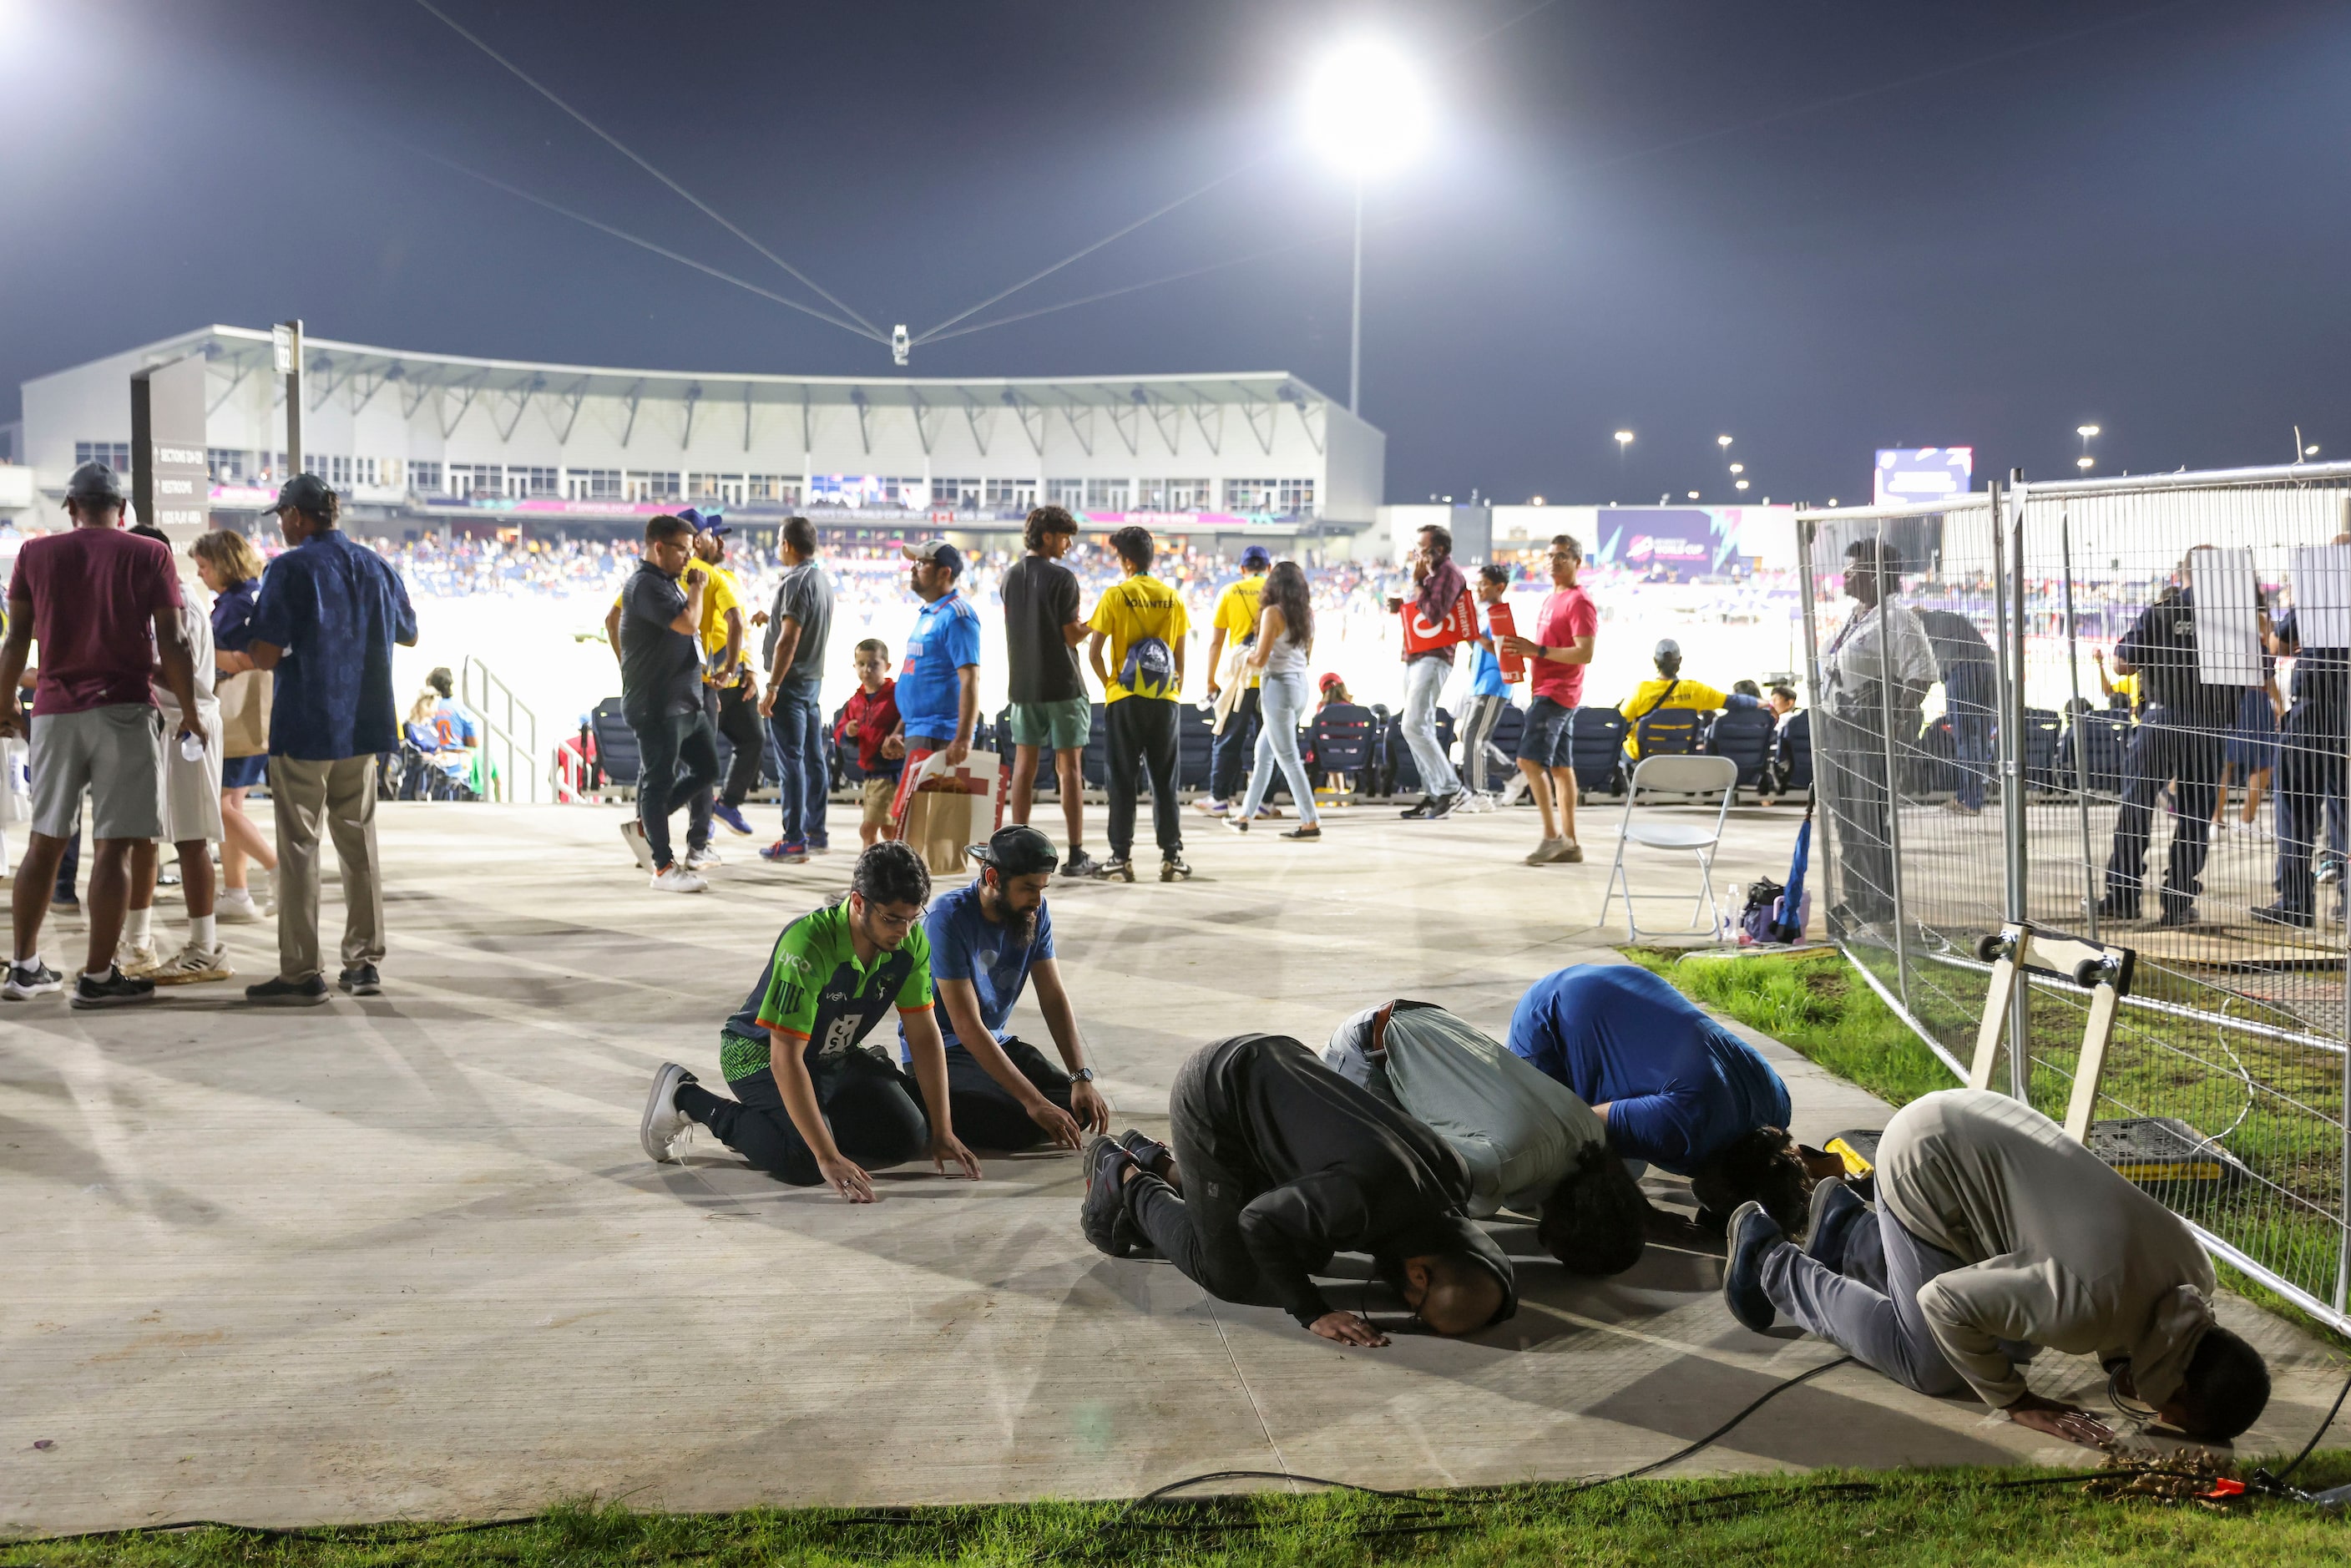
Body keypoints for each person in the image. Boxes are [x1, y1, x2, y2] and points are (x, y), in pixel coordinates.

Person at [1723, 1089, 2271, 1449]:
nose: (2151, 1415)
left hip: (1975, 1127)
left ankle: (1845, 1231)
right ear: (2174, 1389)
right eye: (2167, 1415)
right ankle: (1769, 1258)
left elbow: (2119, 1289)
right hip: (1926, 1159)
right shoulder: (2083, 1308)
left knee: (2008, 1345)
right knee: (1932, 1365)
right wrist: (2017, 1402)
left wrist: (2120, 1360)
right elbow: (1945, 1301)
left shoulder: (2195, 1277)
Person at [1080, 1034, 1517, 1346]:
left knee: (1303, 1252)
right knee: (1232, 1274)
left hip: (1276, 1065)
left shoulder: (1453, 1179)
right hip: (1215, 1094)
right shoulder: (1359, 1198)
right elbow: (1257, 1222)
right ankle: (1124, 1176)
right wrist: (1312, 1311)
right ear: (1419, 1275)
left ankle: (1160, 1161)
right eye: (1419, 1312)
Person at [638, 842, 982, 1201]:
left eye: (913, 919)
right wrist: (826, 1155)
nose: (905, 932)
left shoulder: (909, 944)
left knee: (907, 1138)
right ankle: (687, 1097)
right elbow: (784, 1058)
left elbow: (925, 1036)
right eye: (893, 919)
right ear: (859, 902)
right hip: (758, 1054)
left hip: (834, 1056)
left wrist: (943, 1130)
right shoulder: (808, 944)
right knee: (803, 1161)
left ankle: (785, 1126)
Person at [0, 462, 200, 1007]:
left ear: (70, 507)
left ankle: (24, 968)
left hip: (54, 711)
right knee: (115, 848)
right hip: (124, 711)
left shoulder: (35, 555)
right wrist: (190, 709)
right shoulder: (149, 554)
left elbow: (16, 638)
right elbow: (175, 640)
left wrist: (3, 704)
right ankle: (95, 977)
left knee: (45, 843)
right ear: (123, 511)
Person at [243, 473, 418, 1002]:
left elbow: (265, 653)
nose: (281, 524)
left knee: (299, 847)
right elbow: (409, 632)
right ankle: (363, 963)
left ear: (298, 515)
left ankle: (300, 972)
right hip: (363, 724)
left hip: (305, 723)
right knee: (358, 842)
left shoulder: (289, 568)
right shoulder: (376, 564)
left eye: (282, 516)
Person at [1506, 964, 1838, 1232]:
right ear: (1728, 1185)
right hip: (1554, 1008)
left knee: (1631, 1146)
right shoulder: (1680, 1128)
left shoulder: (1778, 1108)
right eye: (1722, 1205)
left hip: (1629, 983)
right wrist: (1644, 1215)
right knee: (1543, 1157)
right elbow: (1583, 1127)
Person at [1324, 999, 1646, 1274]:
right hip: (1368, 1046)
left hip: (1428, 1018)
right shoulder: (1501, 1162)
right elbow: (1406, 1147)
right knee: (1369, 1169)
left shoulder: (1591, 1138)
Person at [916, 825, 1110, 1151]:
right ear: (992, 878)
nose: (1037, 900)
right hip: (946, 1050)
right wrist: (1033, 1102)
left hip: (996, 1042)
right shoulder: (946, 917)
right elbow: (965, 1026)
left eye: (1043, 889)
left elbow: (1052, 996)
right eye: (1028, 889)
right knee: (1021, 1121)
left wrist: (1081, 1077)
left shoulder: (1036, 911)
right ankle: (921, 1094)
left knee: (1074, 1108)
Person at [2101, 549, 2251, 928]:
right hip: (2211, 724)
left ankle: (2122, 895)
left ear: (2181, 574)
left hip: (2162, 718)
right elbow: (2259, 669)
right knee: (2196, 814)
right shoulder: (2231, 616)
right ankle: (2179, 900)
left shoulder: (2161, 611)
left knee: (2137, 806)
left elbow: (2122, 662)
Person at [118, 524, 230, 985]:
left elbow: (172, 664)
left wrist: (119, 661)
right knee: (141, 837)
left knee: (190, 839)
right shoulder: (165, 596)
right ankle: (138, 943)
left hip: (186, 724)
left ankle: (205, 949)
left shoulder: (177, 603)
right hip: (166, 723)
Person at [1816, 539, 1934, 929]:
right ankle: (1859, 900)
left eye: (1852, 568)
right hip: (1838, 732)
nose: (1845, 575)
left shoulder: (1897, 618)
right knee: (1846, 822)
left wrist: (1893, 722)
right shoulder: (1856, 616)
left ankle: (1882, 909)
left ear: (1876, 574)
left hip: (1869, 736)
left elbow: (1920, 676)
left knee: (1869, 820)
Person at [614, 513, 717, 895]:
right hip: (657, 705)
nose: (689, 559)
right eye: (683, 551)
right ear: (659, 547)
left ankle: (648, 821)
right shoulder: (645, 585)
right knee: (658, 781)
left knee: (707, 768)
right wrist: (698, 588)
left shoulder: (666, 583)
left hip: (685, 702)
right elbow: (688, 624)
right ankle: (662, 867)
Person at [999, 505, 1100, 876]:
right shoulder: (1063, 578)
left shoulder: (1009, 578)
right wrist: (1097, 621)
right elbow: (1070, 634)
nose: (1069, 544)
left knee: (1023, 768)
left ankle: (1015, 849)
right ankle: (1076, 855)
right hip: (1063, 685)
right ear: (1047, 537)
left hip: (1024, 686)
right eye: (1064, 537)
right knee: (1069, 769)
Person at [1085, 524, 1190, 883]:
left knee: (1123, 780)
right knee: (1165, 780)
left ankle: (1120, 857)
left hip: (1124, 700)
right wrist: (1175, 690)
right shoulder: (1173, 598)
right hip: (1165, 700)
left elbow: (1094, 652)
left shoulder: (1116, 595)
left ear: (1127, 561)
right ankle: (1172, 856)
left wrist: (1110, 685)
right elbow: (1179, 654)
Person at [1499, 534, 1598, 866]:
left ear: (1577, 563)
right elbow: (1547, 648)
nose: (1555, 561)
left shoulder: (1578, 602)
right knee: (1560, 768)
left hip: (1557, 693)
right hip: (1552, 690)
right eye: (1552, 556)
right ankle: (1570, 842)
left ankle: (1551, 837)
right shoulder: (1552, 598)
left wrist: (1537, 651)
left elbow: (1584, 652)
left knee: (1528, 762)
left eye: (1563, 556)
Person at [2255, 582, 2349, 928]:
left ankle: (2295, 901)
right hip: (2348, 713)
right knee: (2345, 806)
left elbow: (2277, 644)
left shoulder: (2321, 594)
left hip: (2313, 710)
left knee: (2295, 807)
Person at [192, 529, 275, 922]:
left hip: (235, 714)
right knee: (232, 804)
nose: (201, 575)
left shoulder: (237, 603)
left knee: (220, 807)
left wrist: (209, 657)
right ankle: (238, 893)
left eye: (204, 567)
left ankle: (279, 870)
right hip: (250, 718)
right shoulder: (252, 596)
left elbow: (247, 658)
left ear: (223, 564)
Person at [675, 513, 762, 844]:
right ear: (698, 540)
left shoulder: (727, 578)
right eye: (716, 535)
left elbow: (743, 627)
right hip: (705, 679)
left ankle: (725, 806)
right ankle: (700, 823)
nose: (723, 542)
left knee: (753, 739)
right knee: (700, 756)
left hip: (733, 677)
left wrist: (749, 668)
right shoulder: (689, 578)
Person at [1224, 559, 1322, 842]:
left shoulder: (1272, 613)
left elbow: (1260, 659)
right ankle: (1244, 816)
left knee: (1289, 758)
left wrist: (1241, 655)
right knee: (1264, 753)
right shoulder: (1306, 615)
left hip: (1277, 686)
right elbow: (1307, 656)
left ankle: (1310, 820)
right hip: (1299, 686)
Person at [758, 514, 834, 862]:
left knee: (792, 762)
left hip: (790, 684)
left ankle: (794, 839)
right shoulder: (821, 579)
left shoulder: (795, 582)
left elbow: (789, 639)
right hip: (812, 682)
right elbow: (789, 627)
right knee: (813, 759)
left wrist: (773, 685)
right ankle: (816, 832)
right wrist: (769, 618)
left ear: (787, 545)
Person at [1386, 525, 1468, 820]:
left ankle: (1450, 789)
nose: (1418, 553)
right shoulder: (1433, 575)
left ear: (1440, 550)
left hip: (1433, 658)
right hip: (1417, 655)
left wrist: (1418, 584)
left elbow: (1435, 614)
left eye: (1423, 548)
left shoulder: (1448, 574)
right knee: (1421, 727)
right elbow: (1423, 611)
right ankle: (1434, 795)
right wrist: (1403, 606)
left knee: (1413, 725)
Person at [892, 539, 981, 781]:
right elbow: (920, 677)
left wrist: (963, 739)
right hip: (918, 731)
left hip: (939, 736)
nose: (913, 568)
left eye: (921, 563)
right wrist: (900, 730)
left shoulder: (957, 616)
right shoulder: (930, 614)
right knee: (916, 817)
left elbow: (970, 680)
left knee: (930, 817)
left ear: (944, 572)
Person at [1200, 544, 1272, 818]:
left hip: (1239, 680)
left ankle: (1219, 798)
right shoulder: (1276, 592)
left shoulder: (1230, 592)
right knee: (1271, 742)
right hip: (1270, 680)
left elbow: (1216, 642)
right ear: (1268, 568)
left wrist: (1210, 680)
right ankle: (1265, 802)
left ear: (1242, 569)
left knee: (1228, 739)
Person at [1912, 605, 1998, 817]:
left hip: (1961, 671)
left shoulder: (1916, 627)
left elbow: (1923, 672)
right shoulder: (1947, 617)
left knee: (1966, 738)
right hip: (1989, 670)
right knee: (1982, 737)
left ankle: (1971, 801)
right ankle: (1966, 796)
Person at [1454, 564, 1514, 810]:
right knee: (1471, 737)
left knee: (1474, 738)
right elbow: (1481, 645)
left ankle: (1479, 793)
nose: (1478, 589)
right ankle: (1513, 774)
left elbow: (1498, 648)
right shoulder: (1486, 613)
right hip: (1480, 682)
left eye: (1483, 584)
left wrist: (1472, 633)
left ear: (1499, 587)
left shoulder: (1500, 613)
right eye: (1477, 584)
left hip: (1494, 682)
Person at [832, 638, 903, 848]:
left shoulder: (897, 695)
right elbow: (840, 733)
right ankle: (900, 865)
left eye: (874, 664)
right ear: (854, 666)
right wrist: (847, 731)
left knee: (868, 829)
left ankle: (870, 870)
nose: (867, 670)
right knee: (889, 830)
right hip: (870, 774)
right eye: (861, 664)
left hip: (891, 773)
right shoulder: (856, 701)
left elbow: (910, 719)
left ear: (887, 666)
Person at [1618, 639, 1735, 760]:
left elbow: (1619, 721)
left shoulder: (1641, 691)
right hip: (1680, 756)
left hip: (1644, 759)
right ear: (1679, 661)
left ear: (1655, 661)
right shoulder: (1696, 690)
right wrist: (1755, 702)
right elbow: (1732, 701)